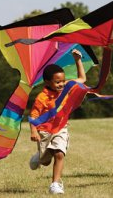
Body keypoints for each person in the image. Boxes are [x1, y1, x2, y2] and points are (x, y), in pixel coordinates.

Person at [28, 49, 86, 195]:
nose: (61, 84)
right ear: (47, 82)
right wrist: (34, 131)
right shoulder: (42, 97)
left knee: (59, 153)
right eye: (57, 82)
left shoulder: (66, 87)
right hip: (44, 131)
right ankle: (38, 157)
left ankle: (55, 184)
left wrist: (77, 60)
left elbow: (82, 79)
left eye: (62, 81)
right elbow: (33, 115)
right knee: (45, 160)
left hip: (61, 128)